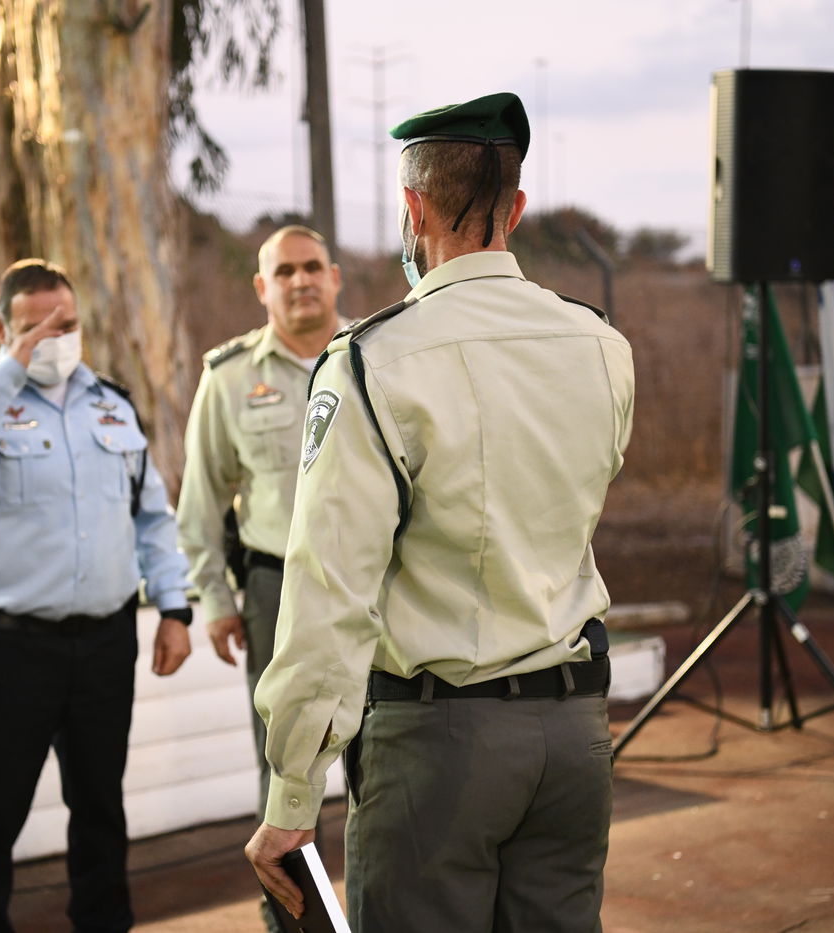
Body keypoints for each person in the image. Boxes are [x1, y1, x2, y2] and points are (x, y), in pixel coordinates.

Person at [244, 92, 635, 932]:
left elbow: (328, 589)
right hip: (575, 737)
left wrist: (291, 791)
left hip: (440, 743)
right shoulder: (602, 345)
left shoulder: (374, 360)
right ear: (517, 208)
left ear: (413, 209)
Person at [0, 259, 194, 933]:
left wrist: (174, 609)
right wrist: (7, 368)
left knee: (100, 810)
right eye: (34, 327)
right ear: (1, 326)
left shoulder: (111, 404)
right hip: (10, 650)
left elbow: (151, 516)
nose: (53, 339)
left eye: (65, 324)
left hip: (103, 644)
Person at [177, 225, 344, 814]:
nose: (300, 281)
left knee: (390, 748)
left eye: (311, 267)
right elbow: (200, 502)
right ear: (260, 287)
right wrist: (217, 601)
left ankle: (381, 904)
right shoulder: (230, 378)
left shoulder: (376, 360)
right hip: (277, 589)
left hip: (376, 582)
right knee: (284, 761)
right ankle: (293, 910)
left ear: (334, 278)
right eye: (284, 271)